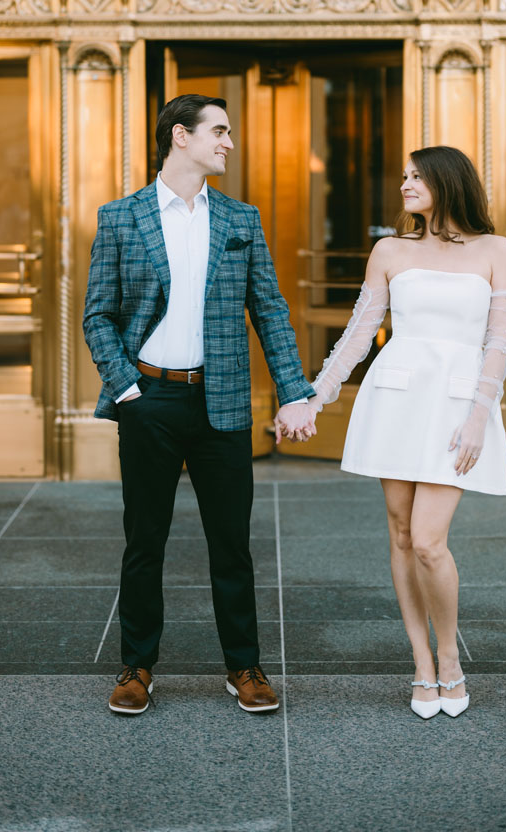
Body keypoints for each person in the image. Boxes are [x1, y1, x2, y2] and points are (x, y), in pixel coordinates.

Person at [83, 93, 315, 717]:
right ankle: (136, 667)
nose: (229, 143)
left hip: (223, 401)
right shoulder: (120, 218)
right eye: (220, 131)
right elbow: (97, 314)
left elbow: (269, 310)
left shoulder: (241, 220)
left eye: (230, 132)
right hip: (149, 399)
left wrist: (296, 390)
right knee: (144, 540)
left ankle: (244, 666)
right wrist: (126, 387)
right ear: (180, 137)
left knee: (231, 543)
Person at [307, 145, 506, 719]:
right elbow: (359, 332)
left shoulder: (496, 251)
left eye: (416, 176)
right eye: (403, 176)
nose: (404, 184)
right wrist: (316, 397)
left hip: (458, 406)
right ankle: (422, 665)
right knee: (401, 534)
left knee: (429, 540)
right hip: (396, 400)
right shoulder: (390, 250)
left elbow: (498, 340)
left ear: (448, 182)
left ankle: (451, 660)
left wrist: (481, 414)